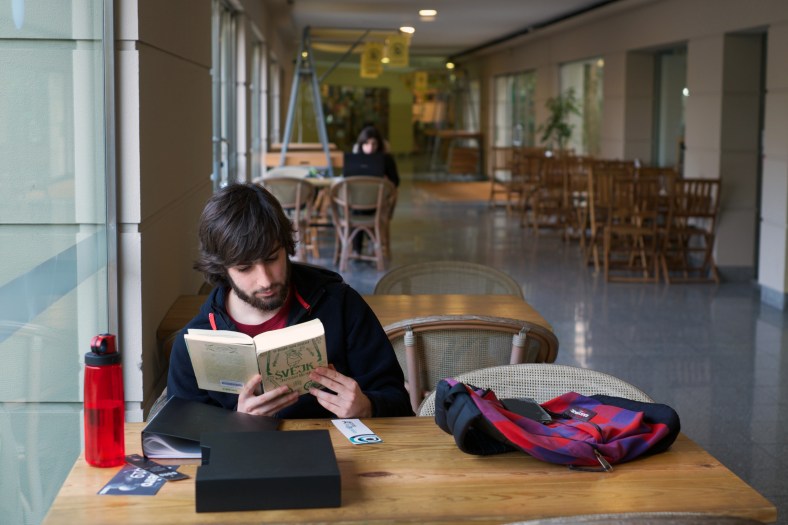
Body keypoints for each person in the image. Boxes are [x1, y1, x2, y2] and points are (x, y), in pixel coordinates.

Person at [167, 183, 413, 419]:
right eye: (244, 268)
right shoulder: (195, 342)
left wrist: (367, 406)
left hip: (341, 456)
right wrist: (237, 423)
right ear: (222, 269)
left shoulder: (340, 305)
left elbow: (398, 401)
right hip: (248, 460)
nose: (265, 280)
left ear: (286, 246)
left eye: (273, 258)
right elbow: (182, 437)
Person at [350, 125, 400, 254]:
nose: (370, 147)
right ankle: (360, 247)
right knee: (354, 209)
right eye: (366, 143)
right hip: (358, 201)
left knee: (358, 212)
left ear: (379, 144)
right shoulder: (355, 158)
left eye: (374, 144)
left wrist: (385, 181)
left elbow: (396, 181)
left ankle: (362, 246)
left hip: (379, 203)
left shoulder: (386, 159)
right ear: (361, 144)